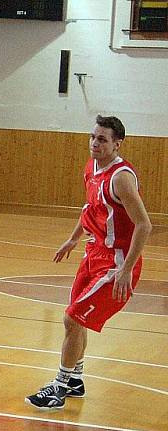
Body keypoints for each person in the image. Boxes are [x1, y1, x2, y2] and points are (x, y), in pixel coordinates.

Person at [26, 115, 152, 410]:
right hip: (93, 254)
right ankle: (75, 380)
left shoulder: (120, 178)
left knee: (72, 318)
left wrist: (127, 268)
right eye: (93, 137)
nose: (95, 143)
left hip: (116, 262)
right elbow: (90, 208)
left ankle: (58, 387)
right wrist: (73, 238)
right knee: (77, 320)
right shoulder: (91, 167)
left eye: (102, 139)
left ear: (116, 144)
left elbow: (144, 225)